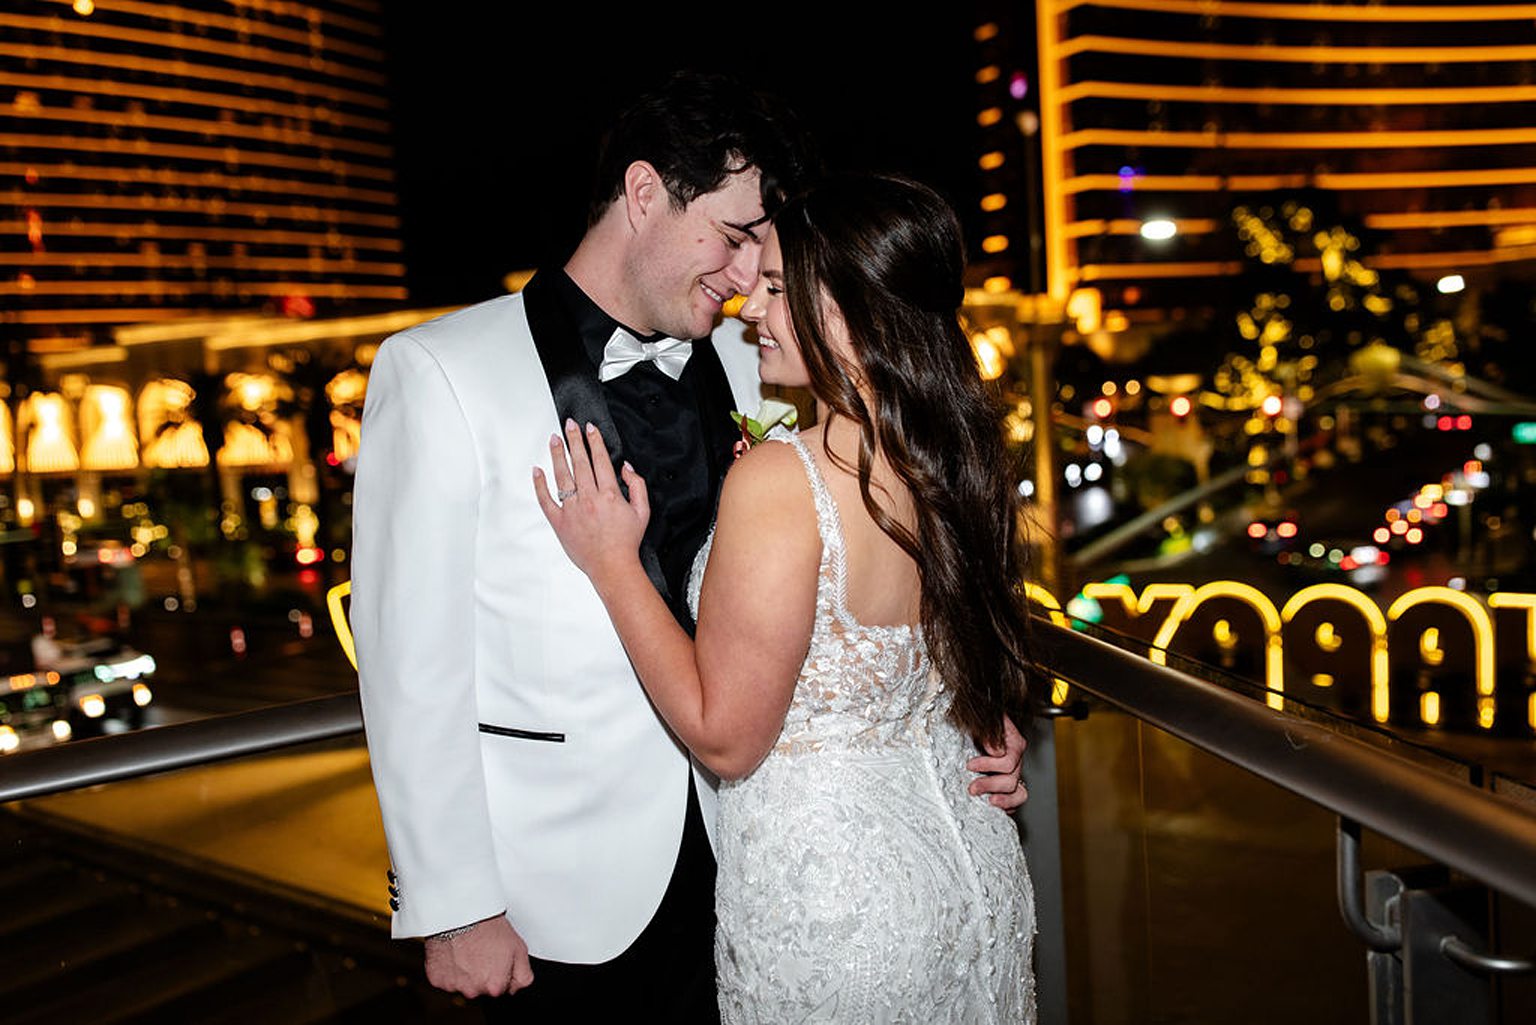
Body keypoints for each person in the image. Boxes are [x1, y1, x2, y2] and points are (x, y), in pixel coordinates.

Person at [351, 73, 1028, 1020]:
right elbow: (406, 666)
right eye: (737, 233)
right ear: (643, 194)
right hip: (557, 893)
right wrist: (453, 902)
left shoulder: (767, 356)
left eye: (767, 252)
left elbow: (889, 539)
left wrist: (961, 718)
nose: (752, 278)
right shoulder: (439, 372)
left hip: (760, 869)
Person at [535, 174, 1038, 1021]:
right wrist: (980, 720)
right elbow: (936, 666)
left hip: (837, 910)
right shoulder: (954, 461)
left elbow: (726, 740)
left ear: (843, 309)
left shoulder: (786, 478)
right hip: (976, 874)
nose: (749, 310)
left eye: (773, 287)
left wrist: (612, 560)